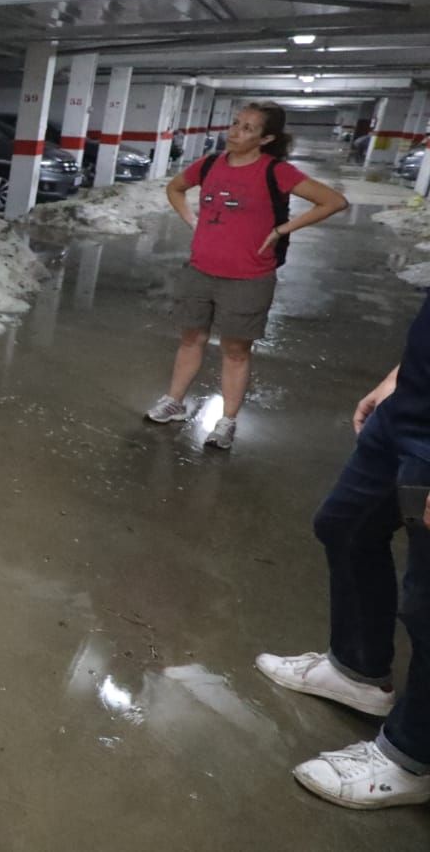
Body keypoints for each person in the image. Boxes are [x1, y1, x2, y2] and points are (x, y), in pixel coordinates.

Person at [254, 297, 430, 809]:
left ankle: (410, 757)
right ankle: (357, 671)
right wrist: (402, 374)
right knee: (345, 527)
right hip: (410, 408)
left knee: (426, 608)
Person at [144, 101, 348, 450]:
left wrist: (283, 229)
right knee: (191, 338)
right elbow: (175, 188)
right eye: (235, 123)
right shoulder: (208, 164)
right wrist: (191, 220)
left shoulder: (276, 172)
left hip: (249, 276)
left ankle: (226, 421)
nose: (235, 132)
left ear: (266, 138)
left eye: (247, 128)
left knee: (236, 349)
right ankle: (174, 401)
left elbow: (333, 201)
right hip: (200, 269)